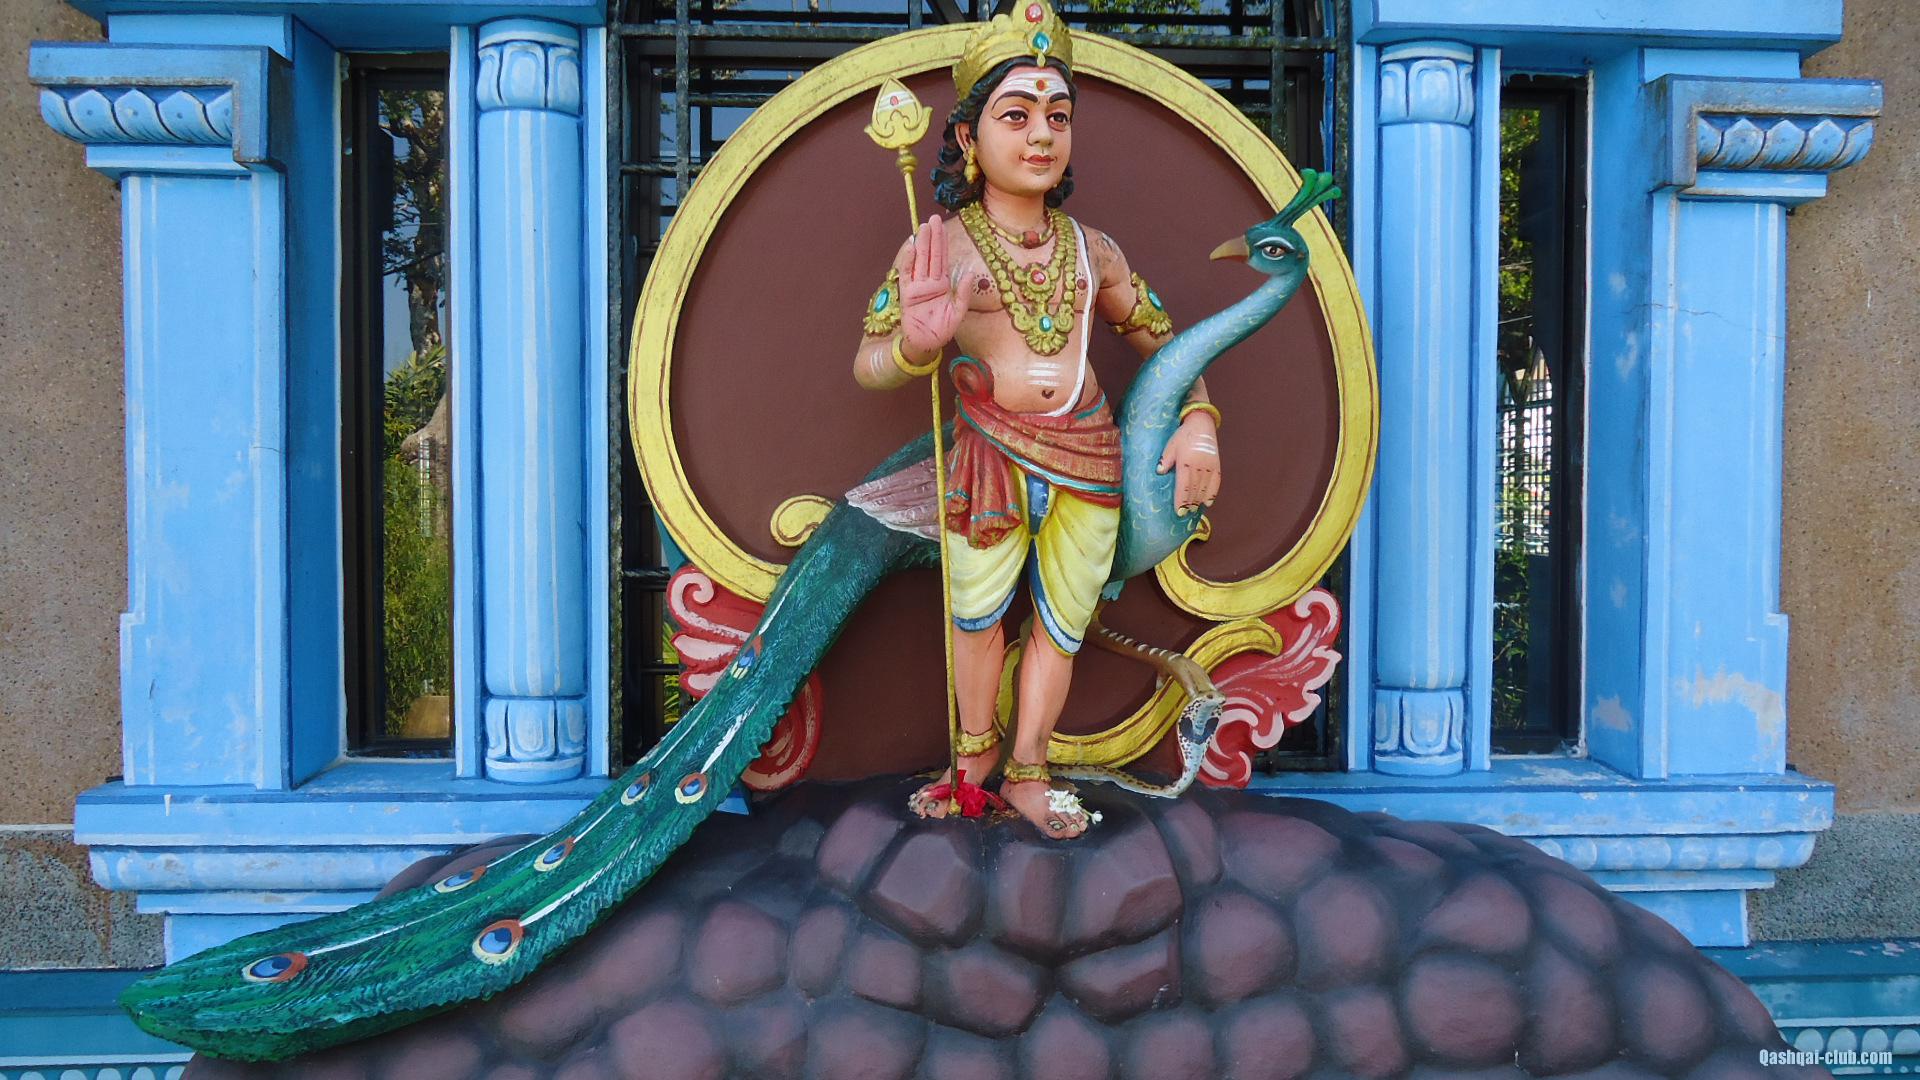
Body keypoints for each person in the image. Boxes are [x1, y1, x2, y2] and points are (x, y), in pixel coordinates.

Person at [850, 0, 1224, 838]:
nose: (1041, 136)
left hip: (1088, 454)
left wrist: (1199, 420)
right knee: (977, 618)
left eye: (1058, 116)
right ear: (967, 137)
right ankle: (971, 763)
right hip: (990, 457)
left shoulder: (1096, 250)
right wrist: (914, 346)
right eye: (1016, 116)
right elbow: (868, 364)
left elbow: (1167, 347)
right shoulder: (939, 248)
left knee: (1063, 622)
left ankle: (1029, 768)